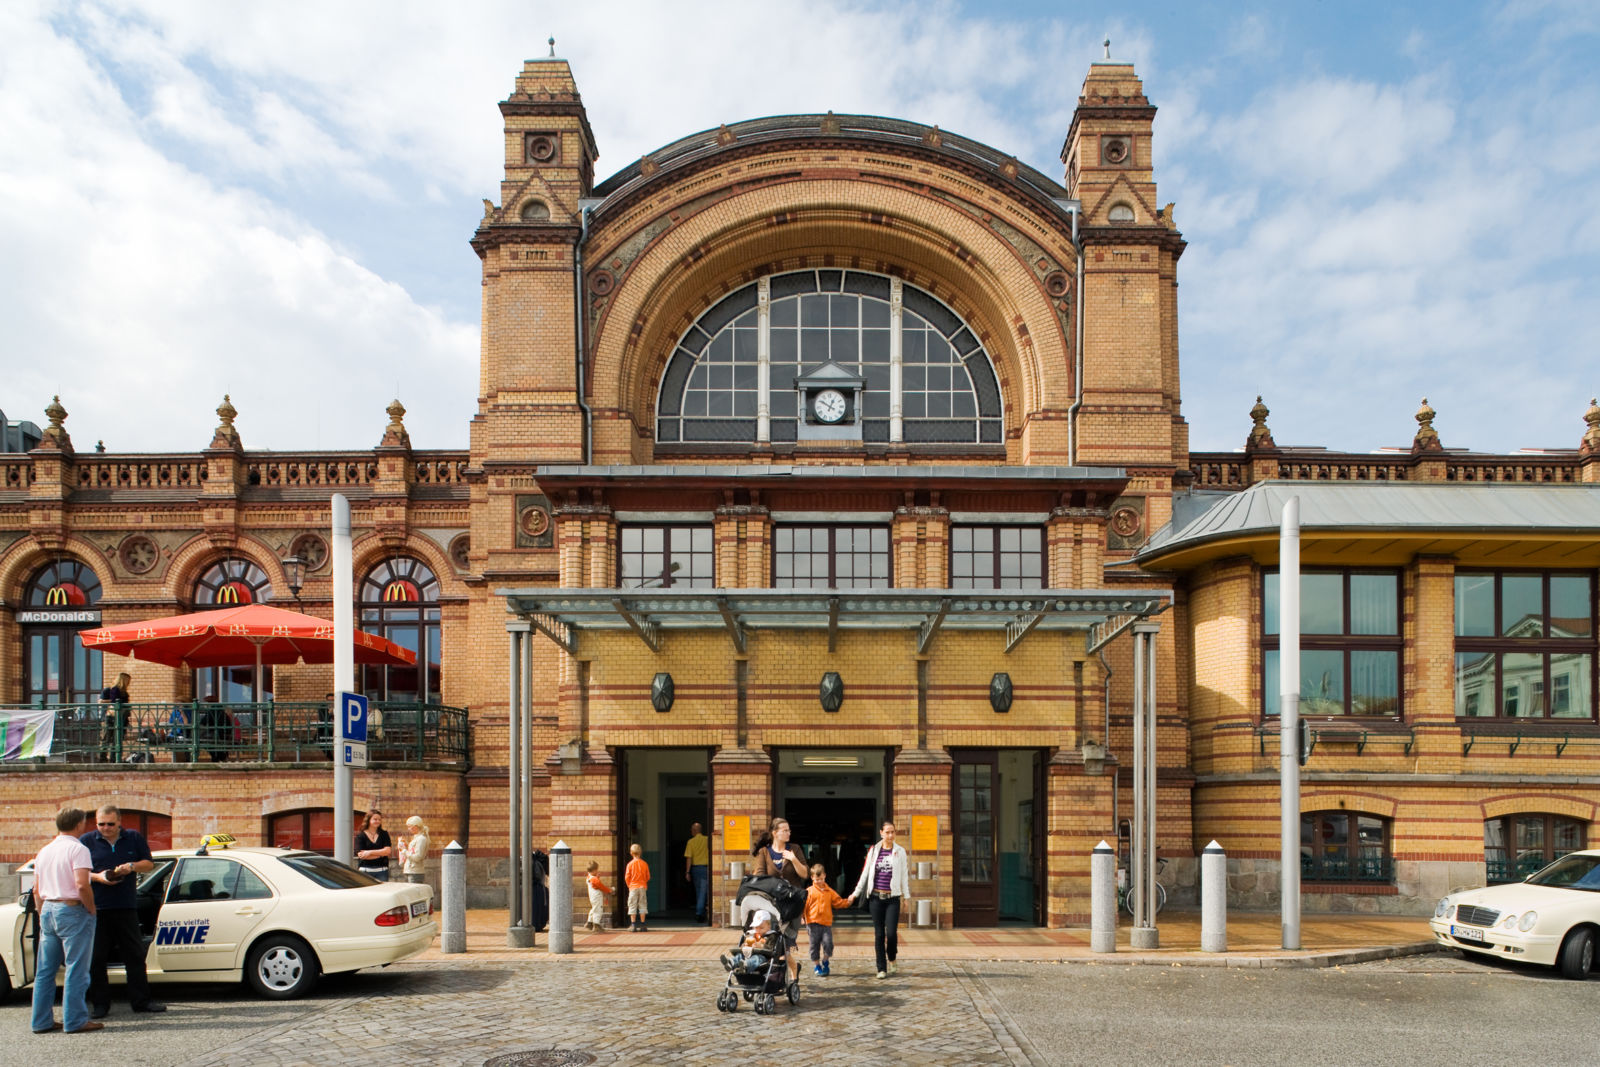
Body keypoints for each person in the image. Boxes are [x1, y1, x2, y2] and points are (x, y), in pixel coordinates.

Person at [82, 804, 165, 1017]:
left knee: (135, 957)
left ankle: (141, 1002)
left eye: (111, 824)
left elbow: (149, 864)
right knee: (97, 959)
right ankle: (100, 1005)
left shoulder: (133, 838)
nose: (106, 828)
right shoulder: (87, 841)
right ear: (96, 823)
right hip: (97, 908)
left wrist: (131, 866)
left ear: (119, 822)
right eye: (102, 824)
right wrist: (99, 876)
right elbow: (78, 873)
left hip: (126, 906)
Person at [30, 807, 101, 1035]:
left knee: (45, 971)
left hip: (49, 907)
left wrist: (42, 913)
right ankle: (75, 1020)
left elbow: (36, 889)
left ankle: (41, 1021)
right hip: (71, 909)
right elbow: (82, 884)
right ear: (80, 824)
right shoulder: (78, 849)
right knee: (76, 968)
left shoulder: (45, 850)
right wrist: (91, 909)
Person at [846, 819, 909, 979]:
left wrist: (906, 897)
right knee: (879, 934)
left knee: (892, 933)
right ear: (881, 833)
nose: (890, 835)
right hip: (875, 898)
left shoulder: (900, 851)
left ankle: (892, 958)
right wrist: (855, 893)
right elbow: (865, 873)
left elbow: (904, 876)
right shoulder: (874, 850)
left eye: (892, 832)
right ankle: (881, 968)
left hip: (892, 898)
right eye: (887, 832)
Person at [750, 817, 809, 982]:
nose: (789, 833)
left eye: (789, 830)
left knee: (785, 944)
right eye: (785, 830)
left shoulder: (795, 849)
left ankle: (784, 974)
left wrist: (793, 859)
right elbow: (760, 875)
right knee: (773, 943)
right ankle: (776, 977)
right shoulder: (764, 852)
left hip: (793, 906)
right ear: (775, 833)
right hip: (772, 905)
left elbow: (804, 874)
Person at [803, 862, 849, 978]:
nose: (819, 882)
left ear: (825, 876)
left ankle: (825, 960)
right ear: (812, 877)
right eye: (817, 879)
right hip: (812, 923)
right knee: (814, 946)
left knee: (828, 944)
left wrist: (847, 902)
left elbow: (837, 902)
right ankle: (817, 965)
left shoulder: (829, 891)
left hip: (826, 924)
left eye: (821, 879)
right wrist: (802, 917)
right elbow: (804, 906)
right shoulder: (809, 891)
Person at [98, 671, 131, 762]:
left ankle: (114, 758)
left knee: (116, 740)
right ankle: (103, 758)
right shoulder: (115, 690)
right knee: (107, 738)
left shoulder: (124, 693)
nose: (129, 683)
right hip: (112, 717)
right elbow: (114, 702)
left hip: (121, 717)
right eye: (128, 681)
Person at [683, 820, 710, 923]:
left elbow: (689, 858)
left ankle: (699, 913)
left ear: (694, 831)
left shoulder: (691, 842)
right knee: (704, 891)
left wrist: (687, 872)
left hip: (696, 869)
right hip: (706, 868)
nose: (691, 832)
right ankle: (703, 912)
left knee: (700, 892)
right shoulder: (707, 840)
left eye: (691, 830)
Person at [354, 810, 393, 881]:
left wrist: (369, 852)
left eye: (379, 819)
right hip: (365, 872)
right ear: (368, 820)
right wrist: (381, 854)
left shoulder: (384, 834)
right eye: (375, 819)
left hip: (382, 872)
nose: (377, 821)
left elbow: (388, 851)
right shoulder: (360, 836)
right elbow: (362, 855)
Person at [624, 843, 650, 931]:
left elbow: (627, 877)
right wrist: (644, 883)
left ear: (631, 853)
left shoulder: (630, 864)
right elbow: (648, 877)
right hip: (642, 887)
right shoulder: (644, 864)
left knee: (632, 905)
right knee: (642, 905)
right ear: (640, 852)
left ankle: (633, 925)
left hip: (633, 887)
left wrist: (629, 886)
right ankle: (643, 925)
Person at [397, 816, 429, 884]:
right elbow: (413, 851)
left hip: (415, 872)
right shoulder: (417, 838)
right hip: (411, 871)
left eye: (409, 826)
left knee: (414, 894)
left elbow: (417, 857)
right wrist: (406, 845)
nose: (408, 829)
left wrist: (404, 851)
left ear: (415, 826)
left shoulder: (421, 839)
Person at [584, 860, 612, 931]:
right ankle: (596, 925)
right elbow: (601, 886)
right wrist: (609, 890)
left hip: (592, 897)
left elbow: (595, 884)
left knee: (594, 909)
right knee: (598, 910)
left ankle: (589, 922)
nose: (597, 871)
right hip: (597, 897)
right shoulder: (594, 879)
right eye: (596, 870)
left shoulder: (589, 877)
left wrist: (597, 877)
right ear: (594, 870)